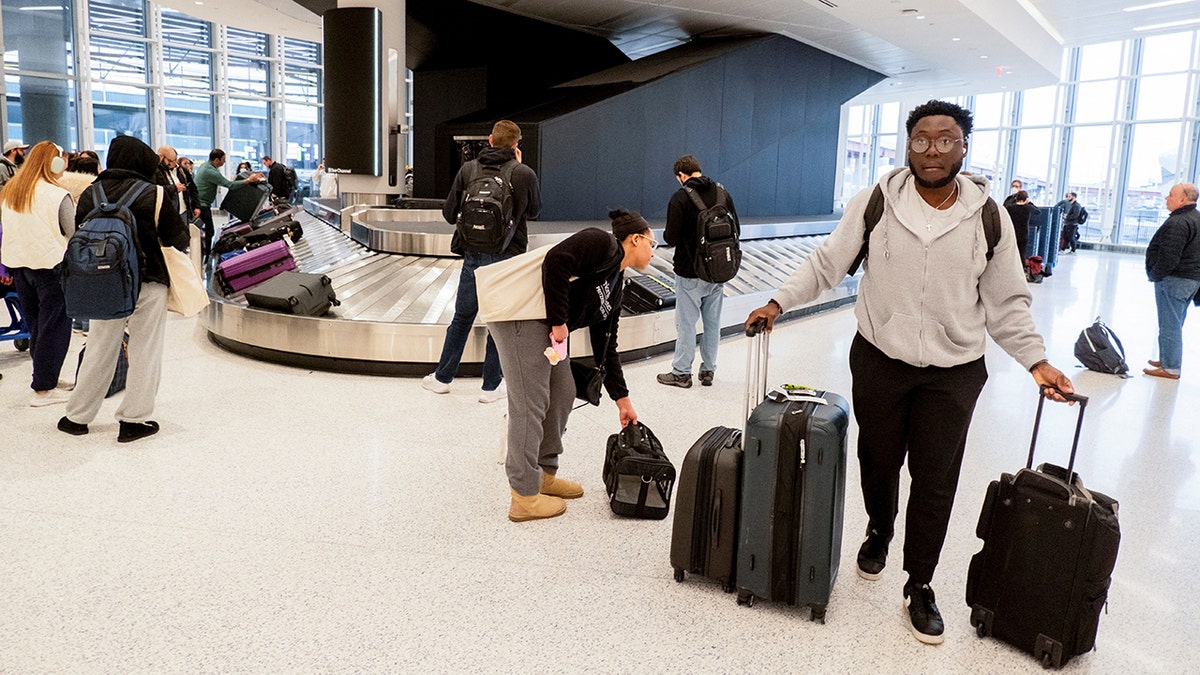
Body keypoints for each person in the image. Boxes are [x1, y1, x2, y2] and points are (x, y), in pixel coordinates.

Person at [744, 100, 1075, 646]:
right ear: (908, 144)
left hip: (954, 371)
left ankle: (919, 581)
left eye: (946, 140)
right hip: (879, 357)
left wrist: (1036, 361)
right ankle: (879, 527)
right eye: (921, 139)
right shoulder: (878, 200)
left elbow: (1007, 302)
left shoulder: (988, 215)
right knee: (878, 459)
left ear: (964, 148)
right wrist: (778, 301)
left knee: (936, 476)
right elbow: (829, 262)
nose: (932, 150)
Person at [489, 210, 651, 522]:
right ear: (635, 239)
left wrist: (623, 400)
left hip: (548, 329)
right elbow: (556, 261)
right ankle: (523, 495)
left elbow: (608, 347)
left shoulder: (617, 285)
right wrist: (560, 321)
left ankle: (544, 473)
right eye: (652, 244)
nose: (653, 251)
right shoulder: (600, 242)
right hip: (522, 318)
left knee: (563, 391)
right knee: (530, 404)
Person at [56, 135, 190, 443]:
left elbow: (80, 233)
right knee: (145, 351)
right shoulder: (154, 194)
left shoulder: (91, 193)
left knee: (99, 347)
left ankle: (77, 417)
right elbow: (177, 238)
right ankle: (133, 421)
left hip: (105, 282)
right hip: (148, 283)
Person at [423, 119, 542, 403]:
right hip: (508, 257)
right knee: (498, 320)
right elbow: (535, 211)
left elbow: (450, 214)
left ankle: (442, 378)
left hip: (473, 254)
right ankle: (491, 387)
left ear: (490, 140)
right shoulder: (523, 173)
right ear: (516, 145)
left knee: (463, 316)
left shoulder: (468, 169)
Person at [0, 141, 76, 406]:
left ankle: (47, 376)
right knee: (54, 326)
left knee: (36, 326)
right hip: (51, 267)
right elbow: (72, 232)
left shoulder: (11, 191)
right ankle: (43, 389)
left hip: (20, 268)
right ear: (54, 162)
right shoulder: (57, 195)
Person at [657, 155, 739, 388]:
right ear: (698, 171)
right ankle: (708, 370)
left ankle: (682, 373)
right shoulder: (722, 193)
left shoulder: (680, 197)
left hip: (689, 271)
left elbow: (671, 238)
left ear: (680, 176)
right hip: (719, 270)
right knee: (713, 323)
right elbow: (737, 230)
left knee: (686, 324)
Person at [1143, 183, 1200, 380]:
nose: (1167, 198)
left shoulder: (1178, 223)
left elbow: (1169, 256)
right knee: (1175, 321)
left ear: (1183, 200)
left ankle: (1171, 368)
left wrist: (1155, 274)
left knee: (1169, 324)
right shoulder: (1196, 218)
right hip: (1191, 279)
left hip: (1175, 279)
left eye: (1171, 195)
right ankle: (1167, 359)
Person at [193, 149, 265, 262]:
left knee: (206, 230)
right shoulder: (211, 172)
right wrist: (248, 180)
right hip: (202, 204)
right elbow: (230, 185)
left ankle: (205, 255)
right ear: (216, 160)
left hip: (201, 202)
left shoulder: (206, 166)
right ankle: (207, 257)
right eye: (223, 160)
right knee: (209, 230)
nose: (224, 162)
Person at [1003, 189, 1039, 261]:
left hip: (1012, 232)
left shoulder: (1010, 208)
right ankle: (1021, 268)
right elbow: (1037, 211)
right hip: (1023, 233)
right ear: (1026, 199)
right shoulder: (1028, 208)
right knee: (1021, 253)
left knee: (1011, 252)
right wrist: (1030, 203)